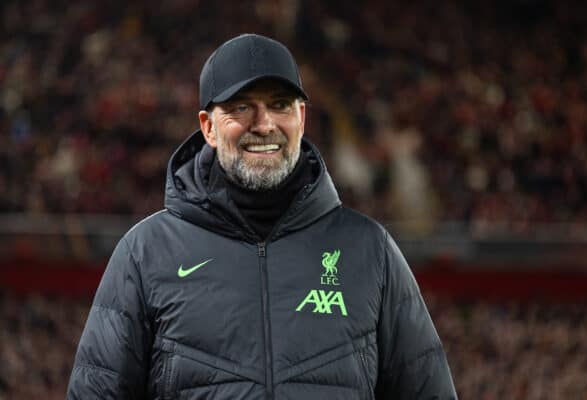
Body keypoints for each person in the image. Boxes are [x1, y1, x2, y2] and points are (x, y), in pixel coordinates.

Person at [67, 33, 457, 399]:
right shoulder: (146, 253)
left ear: (301, 119)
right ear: (208, 127)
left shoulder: (371, 252)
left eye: (279, 105)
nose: (264, 123)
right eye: (241, 107)